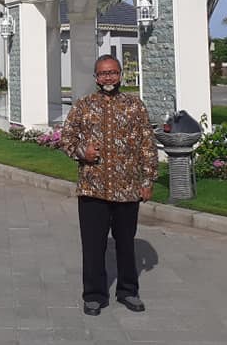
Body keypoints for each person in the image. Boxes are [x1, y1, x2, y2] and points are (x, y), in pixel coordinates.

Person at [60, 54, 158, 316]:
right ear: (95, 77)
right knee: (93, 245)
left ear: (120, 75)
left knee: (126, 244)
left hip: (127, 190)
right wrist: (83, 152)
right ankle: (93, 295)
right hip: (93, 189)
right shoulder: (83, 106)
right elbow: (65, 139)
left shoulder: (135, 106)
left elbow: (147, 146)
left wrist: (147, 180)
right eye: (103, 74)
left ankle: (128, 291)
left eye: (113, 73)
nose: (108, 78)